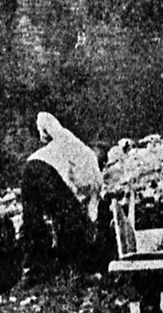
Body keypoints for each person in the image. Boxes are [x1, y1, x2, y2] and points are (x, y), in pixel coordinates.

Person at [20, 112, 105, 280]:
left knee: (32, 219)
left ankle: (33, 268)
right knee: (71, 218)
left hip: (30, 168)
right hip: (48, 172)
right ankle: (75, 267)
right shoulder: (94, 166)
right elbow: (92, 206)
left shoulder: (67, 139)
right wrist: (90, 224)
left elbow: (43, 117)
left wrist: (43, 134)